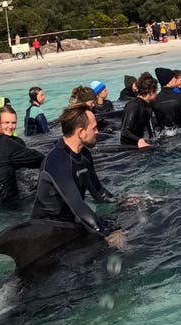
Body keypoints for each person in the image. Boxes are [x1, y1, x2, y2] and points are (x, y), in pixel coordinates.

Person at [31, 102, 123, 247]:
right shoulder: (57, 160)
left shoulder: (84, 154)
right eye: (94, 128)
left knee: (129, 218)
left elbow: (99, 192)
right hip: (48, 232)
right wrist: (106, 233)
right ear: (81, 132)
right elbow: (78, 206)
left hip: (72, 222)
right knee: (114, 241)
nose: (97, 132)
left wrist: (122, 201)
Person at [119, 72, 159, 148]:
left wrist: (156, 141)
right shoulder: (133, 105)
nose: (157, 94)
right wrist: (139, 140)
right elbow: (124, 131)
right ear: (151, 92)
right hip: (128, 146)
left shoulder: (148, 106)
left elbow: (151, 130)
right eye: (156, 91)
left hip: (140, 143)